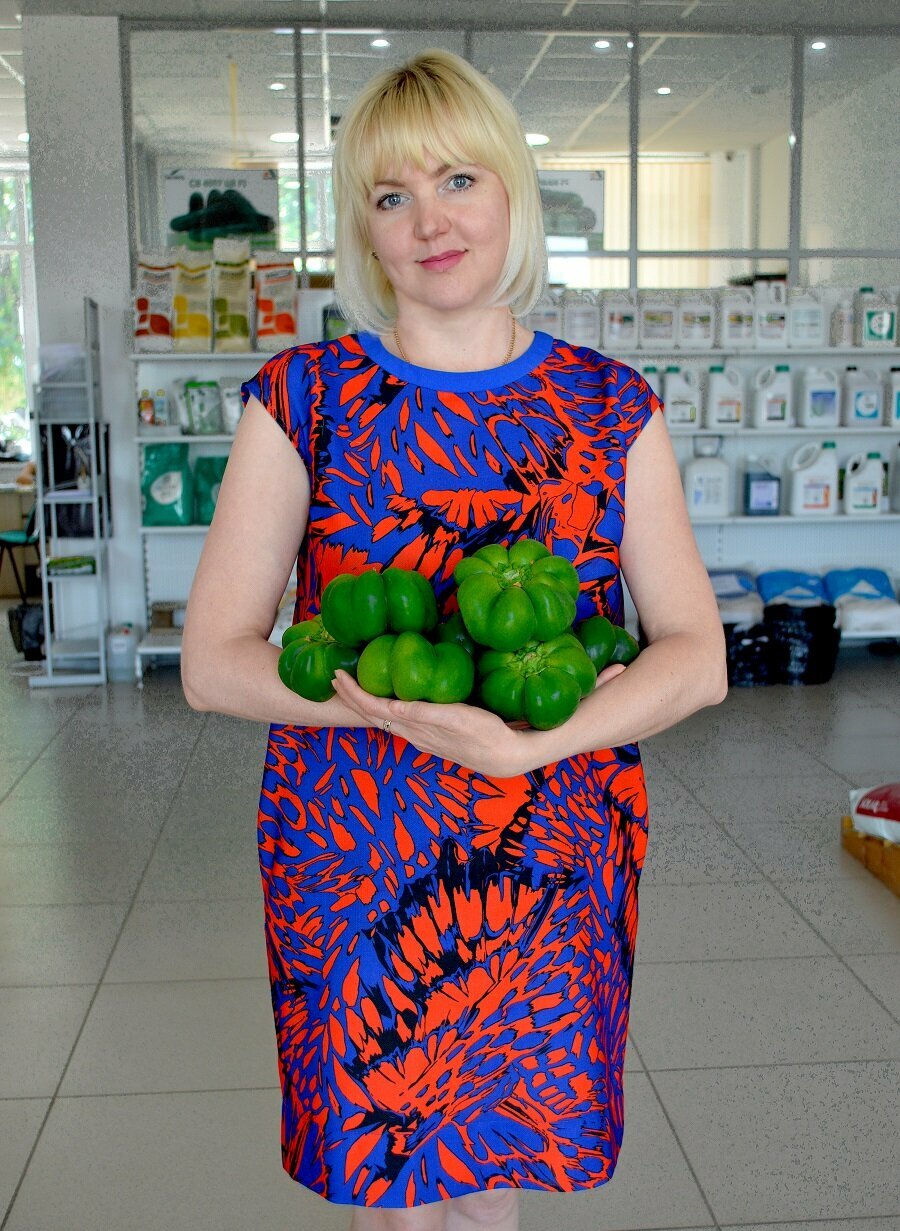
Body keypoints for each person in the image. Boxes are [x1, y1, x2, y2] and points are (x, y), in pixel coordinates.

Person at [181, 47, 727, 1231]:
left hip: (551, 849)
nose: (431, 221)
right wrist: (380, 711)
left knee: (494, 1184)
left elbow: (698, 653)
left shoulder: (611, 407)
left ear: (513, 192)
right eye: (393, 196)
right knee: (393, 1196)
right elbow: (214, 661)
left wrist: (531, 748)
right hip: (358, 855)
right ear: (364, 231)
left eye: (459, 180)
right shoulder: (303, 398)